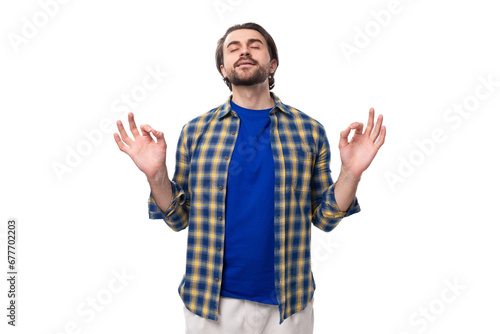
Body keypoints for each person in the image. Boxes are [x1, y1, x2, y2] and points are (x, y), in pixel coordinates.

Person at [114, 22, 386, 334]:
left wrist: (351, 173)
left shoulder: (309, 130)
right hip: (210, 303)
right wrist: (156, 175)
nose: (244, 50)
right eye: (234, 47)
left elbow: (325, 218)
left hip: (288, 302)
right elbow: (178, 218)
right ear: (223, 70)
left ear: (272, 65)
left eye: (255, 45)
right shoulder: (196, 131)